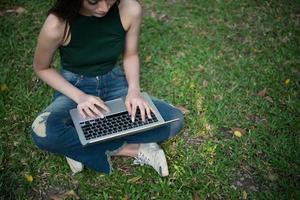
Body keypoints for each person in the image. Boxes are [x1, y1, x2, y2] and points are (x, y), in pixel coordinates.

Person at [31, 0, 184, 177]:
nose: (104, 8)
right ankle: (132, 149)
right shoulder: (56, 24)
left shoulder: (130, 9)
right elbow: (41, 67)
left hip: (115, 83)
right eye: (93, 1)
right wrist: (80, 97)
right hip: (75, 88)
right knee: (43, 132)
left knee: (174, 120)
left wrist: (134, 90)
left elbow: (131, 54)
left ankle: (79, 142)